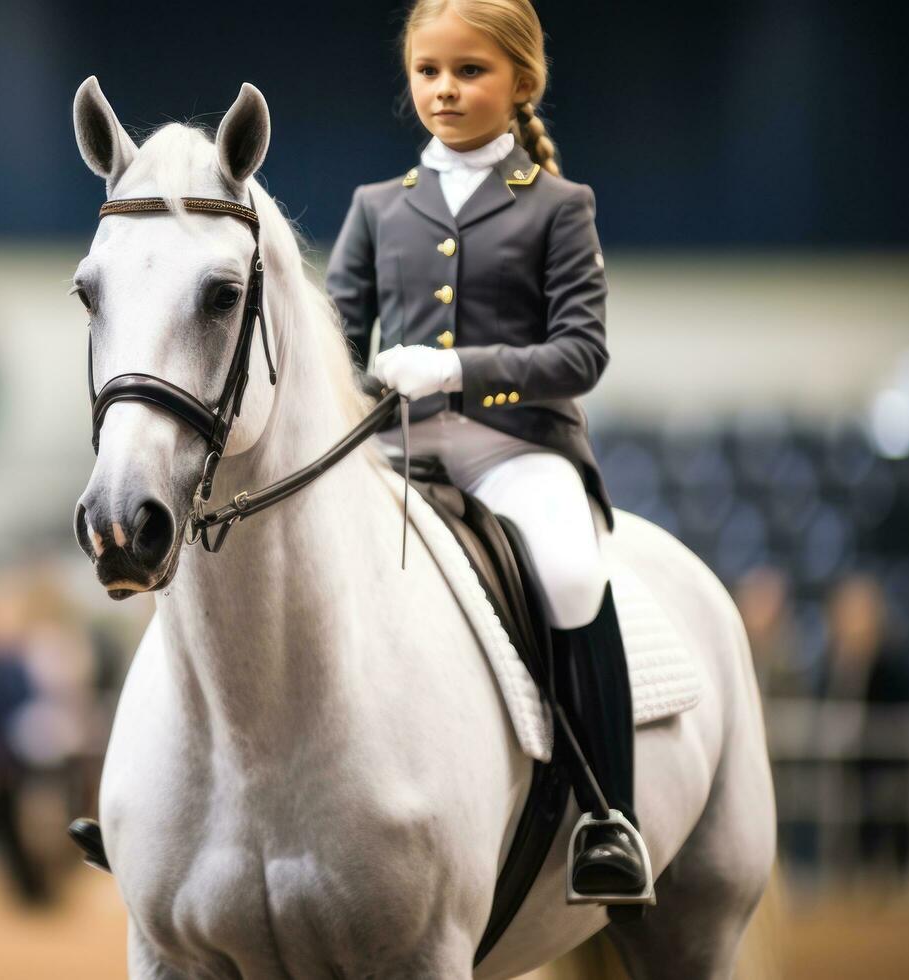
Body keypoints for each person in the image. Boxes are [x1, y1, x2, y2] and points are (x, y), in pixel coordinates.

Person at [324, 0, 644, 901]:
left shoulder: (556, 206)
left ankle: (606, 815)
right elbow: (336, 345)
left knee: (572, 574)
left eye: (469, 71)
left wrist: (456, 370)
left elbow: (581, 355)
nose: (444, 90)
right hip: (392, 453)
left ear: (520, 83)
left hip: (514, 448)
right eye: (429, 71)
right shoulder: (377, 207)